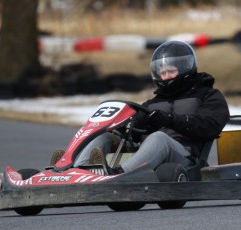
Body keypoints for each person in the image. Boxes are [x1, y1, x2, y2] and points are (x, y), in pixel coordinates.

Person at [73, 40, 230, 175]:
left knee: (159, 138)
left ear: (185, 69)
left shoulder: (208, 95)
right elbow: (134, 132)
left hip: (187, 157)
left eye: (171, 71)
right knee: (105, 136)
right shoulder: (152, 104)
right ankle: (77, 171)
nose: (166, 76)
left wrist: (170, 120)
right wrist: (126, 126)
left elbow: (210, 125)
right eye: (163, 72)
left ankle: (120, 174)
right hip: (148, 155)